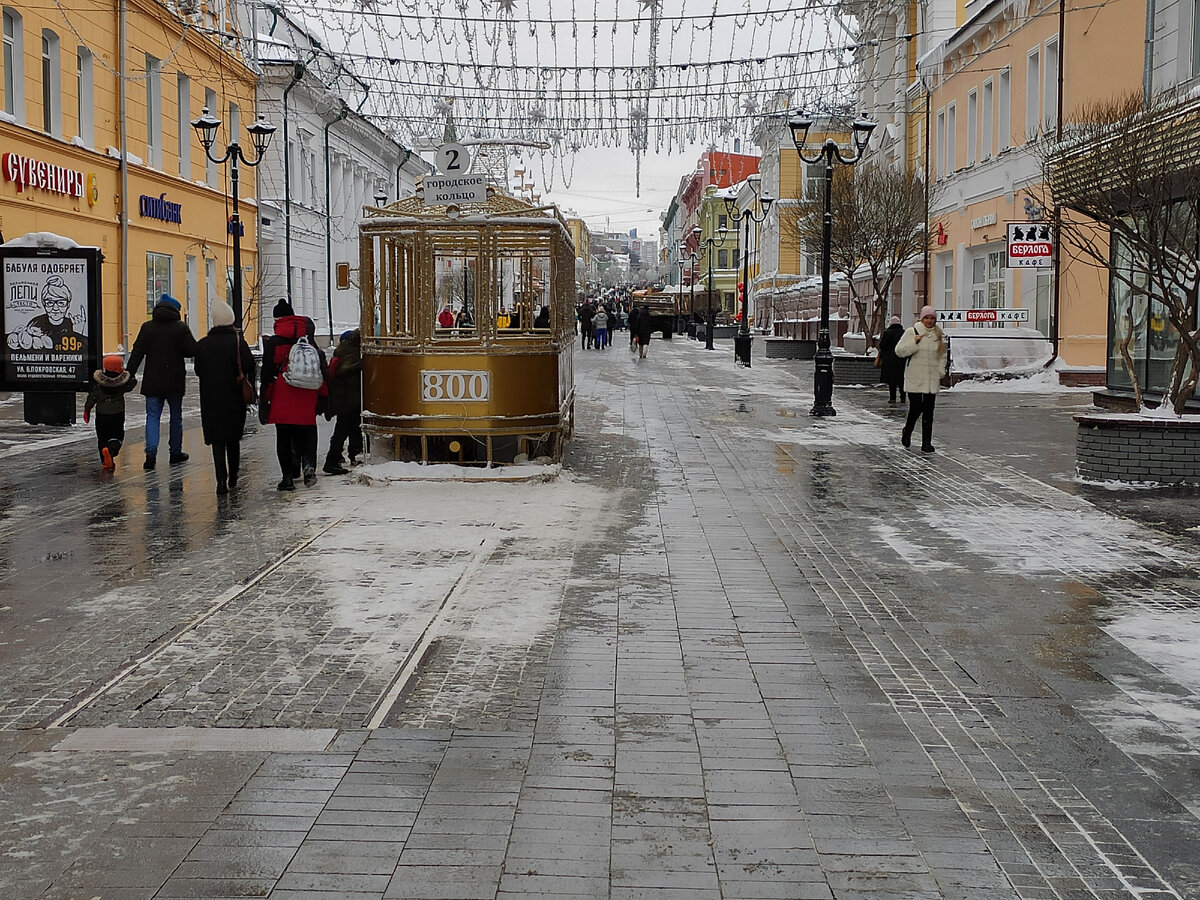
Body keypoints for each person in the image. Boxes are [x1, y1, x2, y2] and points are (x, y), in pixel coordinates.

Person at [260, 300, 328, 490]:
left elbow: (267, 373)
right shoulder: (308, 339)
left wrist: (264, 397)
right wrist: (324, 395)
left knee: (283, 434)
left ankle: (287, 478)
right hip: (307, 392)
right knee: (308, 430)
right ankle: (308, 467)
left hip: (283, 391)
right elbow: (320, 367)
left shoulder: (274, 342)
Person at [126, 293, 197, 470]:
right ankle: (175, 452)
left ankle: (150, 455)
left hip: (153, 380)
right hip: (174, 380)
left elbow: (137, 352)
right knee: (176, 417)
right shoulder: (181, 328)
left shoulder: (148, 327)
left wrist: (129, 374)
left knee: (152, 416)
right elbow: (191, 350)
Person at [193, 300, 255, 495]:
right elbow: (249, 365)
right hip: (234, 397)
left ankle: (220, 480)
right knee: (233, 439)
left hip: (211, 400)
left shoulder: (202, 345)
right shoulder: (238, 342)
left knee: (217, 441)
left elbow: (198, 370)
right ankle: (233, 478)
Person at [894, 306, 948, 453]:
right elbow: (899, 351)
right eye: (927, 318)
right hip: (915, 376)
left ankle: (926, 443)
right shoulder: (913, 331)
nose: (929, 321)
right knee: (916, 408)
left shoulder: (938, 334)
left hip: (932, 378)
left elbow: (942, 355)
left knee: (929, 412)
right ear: (921, 319)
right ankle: (907, 431)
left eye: (932, 318)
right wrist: (914, 343)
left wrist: (941, 371)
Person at [83, 354, 137, 471]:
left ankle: (105, 461)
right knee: (117, 436)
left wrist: (87, 409)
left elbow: (92, 398)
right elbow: (131, 384)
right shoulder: (121, 384)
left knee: (102, 438)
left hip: (101, 415)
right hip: (117, 414)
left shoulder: (98, 384)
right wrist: (130, 378)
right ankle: (111, 451)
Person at [323, 328, 363, 475]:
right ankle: (332, 461)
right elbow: (343, 371)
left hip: (346, 398)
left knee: (352, 428)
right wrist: (359, 365)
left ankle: (353, 455)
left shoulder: (347, 349)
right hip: (347, 399)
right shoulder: (350, 351)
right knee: (343, 430)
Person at [877, 315, 907, 405]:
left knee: (892, 381)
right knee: (901, 380)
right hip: (901, 359)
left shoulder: (887, 333)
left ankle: (892, 398)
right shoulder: (904, 333)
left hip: (889, 360)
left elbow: (882, 345)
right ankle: (903, 397)